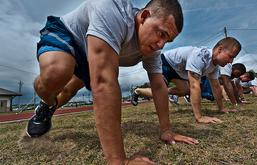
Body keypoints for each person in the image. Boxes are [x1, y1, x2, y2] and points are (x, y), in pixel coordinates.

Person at [26, 0, 199, 164]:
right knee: (57, 73)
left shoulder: (152, 49)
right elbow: (103, 83)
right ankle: (46, 105)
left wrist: (166, 130)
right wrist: (118, 161)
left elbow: (159, 85)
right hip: (67, 34)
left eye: (167, 40)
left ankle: (50, 105)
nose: (161, 44)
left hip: (91, 54)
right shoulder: (113, 11)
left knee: (69, 91)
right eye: (161, 33)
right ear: (144, 16)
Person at [131, 37, 242, 124]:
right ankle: (138, 91)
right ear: (220, 49)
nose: (231, 61)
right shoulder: (201, 56)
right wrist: (199, 117)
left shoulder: (214, 66)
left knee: (184, 90)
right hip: (166, 62)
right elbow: (195, 86)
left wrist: (221, 108)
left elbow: (216, 87)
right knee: (161, 93)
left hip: (178, 70)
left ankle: (140, 91)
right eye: (230, 56)